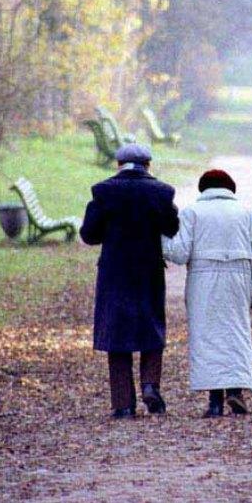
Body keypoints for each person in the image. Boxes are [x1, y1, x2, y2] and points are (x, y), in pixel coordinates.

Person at [80, 143, 179, 419]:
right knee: (152, 327)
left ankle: (123, 404)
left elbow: (89, 235)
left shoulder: (103, 191)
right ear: (148, 165)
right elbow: (171, 228)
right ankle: (150, 384)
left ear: (118, 164)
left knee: (117, 334)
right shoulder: (161, 191)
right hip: (148, 272)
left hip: (115, 273)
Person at [163, 169, 252, 417]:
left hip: (203, 278)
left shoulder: (192, 212)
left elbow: (179, 254)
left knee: (206, 335)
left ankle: (215, 402)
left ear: (203, 189)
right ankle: (235, 390)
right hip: (238, 278)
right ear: (230, 189)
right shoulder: (247, 214)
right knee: (236, 333)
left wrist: (163, 238)